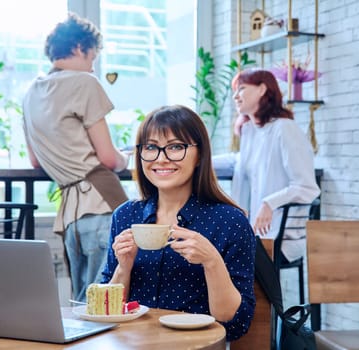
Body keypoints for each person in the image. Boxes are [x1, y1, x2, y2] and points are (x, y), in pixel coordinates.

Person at [101, 105, 256, 341]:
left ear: (200, 155)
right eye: (151, 147)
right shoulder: (126, 216)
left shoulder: (229, 221)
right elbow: (104, 309)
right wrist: (124, 267)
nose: (161, 159)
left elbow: (234, 323)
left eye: (175, 147)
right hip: (131, 344)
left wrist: (211, 261)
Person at [22, 13, 129, 302]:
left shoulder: (31, 93)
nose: (93, 64)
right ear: (81, 48)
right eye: (93, 55)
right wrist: (126, 158)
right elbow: (108, 158)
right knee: (107, 300)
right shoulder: (84, 82)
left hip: (69, 213)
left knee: (82, 302)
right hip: (101, 202)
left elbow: (35, 161)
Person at [222, 69, 320, 263]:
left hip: (281, 237)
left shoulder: (284, 128)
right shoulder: (250, 131)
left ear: (262, 89)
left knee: (222, 256)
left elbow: (306, 186)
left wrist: (269, 203)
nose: (235, 96)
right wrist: (196, 158)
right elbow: (237, 161)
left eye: (241, 89)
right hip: (256, 234)